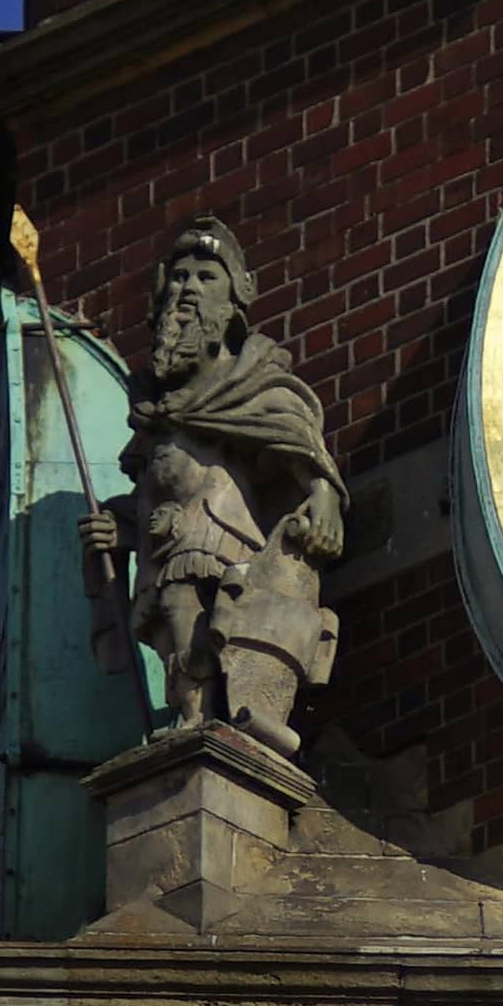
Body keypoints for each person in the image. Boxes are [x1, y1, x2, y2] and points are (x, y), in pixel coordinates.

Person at [78, 217, 345, 755]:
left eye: (206, 277)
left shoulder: (248, 382)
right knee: (178, 621)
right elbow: (154, 485)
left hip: (225, 531)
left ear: (232, 304)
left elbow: (298, 444)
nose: (188, 290)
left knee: (214, 625)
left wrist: (322, 493)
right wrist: (122, 525)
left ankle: (217, 717)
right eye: (179, 278)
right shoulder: (154, 407)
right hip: (168, 538)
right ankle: (193, 716)